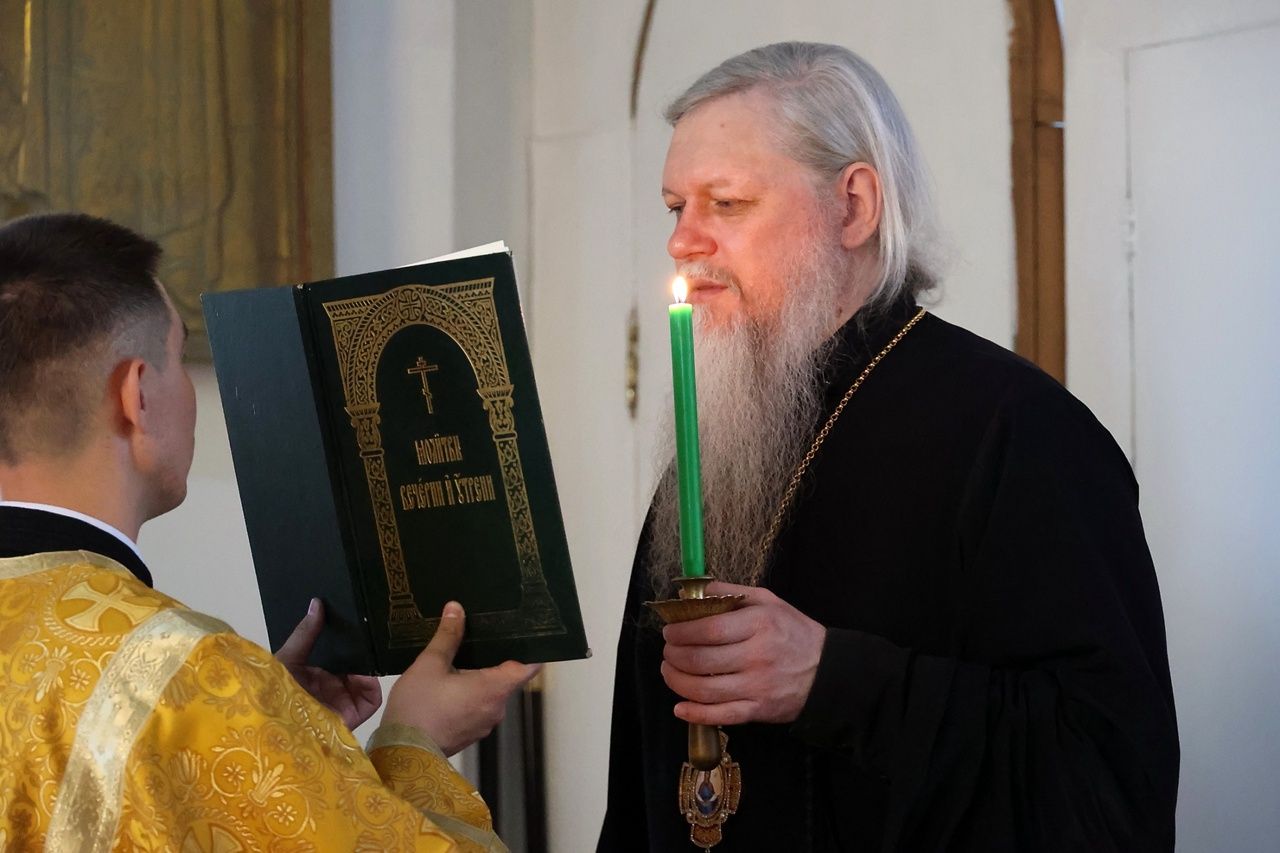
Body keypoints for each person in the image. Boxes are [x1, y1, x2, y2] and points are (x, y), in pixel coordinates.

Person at [598, 42, 1178, 852]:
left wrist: (832, 678)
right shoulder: (707, 459)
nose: (683, 242)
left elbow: (1110, 785)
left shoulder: (1021, 432)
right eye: (674, 208)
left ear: (854, 206)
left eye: (725, 203)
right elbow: (640, 794)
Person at [0, 212, 538, 851]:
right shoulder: (176, 672)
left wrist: (277, 725)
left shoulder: (199, 684)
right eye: (177, 358)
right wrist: (414, 743)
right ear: (137, 395)